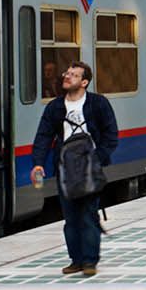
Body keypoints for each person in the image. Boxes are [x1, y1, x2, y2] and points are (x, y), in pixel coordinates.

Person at [29, 61, 117, 276]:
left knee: (88, 214)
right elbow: (44, 136)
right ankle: (76, 260)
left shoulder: (98, 104)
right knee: (70, 218)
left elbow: (111, 135)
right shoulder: (55, 107)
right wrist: (38, 163)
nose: (66, 77)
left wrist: (98, 159)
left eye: (73, 75)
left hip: (89, 168)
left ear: (84, 82)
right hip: (65, 169)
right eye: (67, 73)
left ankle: (89, 262)